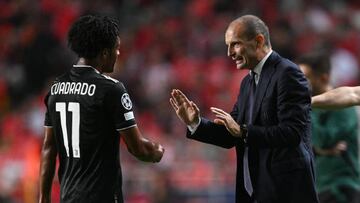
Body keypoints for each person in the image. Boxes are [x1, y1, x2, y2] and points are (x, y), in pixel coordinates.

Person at [170, 15, 319, 203]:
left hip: (285, 192)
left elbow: (292, 133)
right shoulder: (247, 82)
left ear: (258, 41)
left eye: (235, 44)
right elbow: (231, 135)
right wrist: (194, 123)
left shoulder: (287, 73)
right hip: (256, 192)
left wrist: (243, 131)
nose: (229, 52)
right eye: (228, 45)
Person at [39, 15, 164, 203]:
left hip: (68, 197)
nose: (118, 54)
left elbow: (49, 147)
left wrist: (44, 198)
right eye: (117, 48)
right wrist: (156, 151)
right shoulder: (111, 89)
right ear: (105, 53)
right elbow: (136, 148)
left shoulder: (56, 88)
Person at [298, 53, 360, 203]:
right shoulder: (310, 106)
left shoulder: (343, 108)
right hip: (319, 187)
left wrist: (304, 107)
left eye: (305, 77)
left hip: (341, 187)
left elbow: (321, 139)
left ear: (323, 78)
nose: (299, 82)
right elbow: (350, 94)